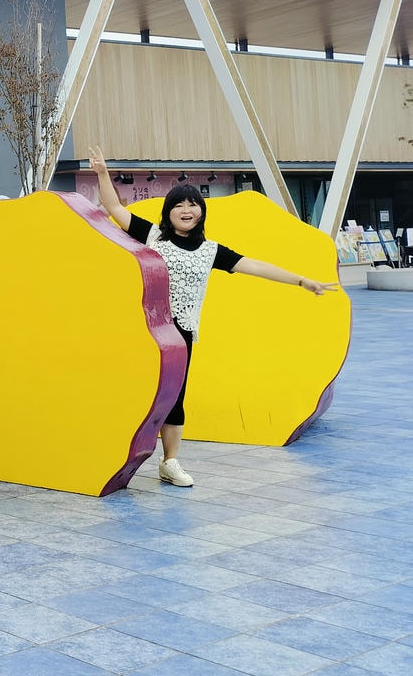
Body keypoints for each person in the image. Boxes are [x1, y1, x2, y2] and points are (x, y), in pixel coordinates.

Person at [88, 148, 338, 487]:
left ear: (201, 212)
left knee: (173, 397)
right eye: (178, 204)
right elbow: (116, 209)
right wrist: (102, 172)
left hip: (181, 334)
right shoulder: (153, 237)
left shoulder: (211, 251)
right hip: (144, 330)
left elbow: (257, 266)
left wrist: (301, 280)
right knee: (137, 391)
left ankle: (170, 462)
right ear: (168, 213)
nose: (186, 209)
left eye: (192, 204)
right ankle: (111, 451)